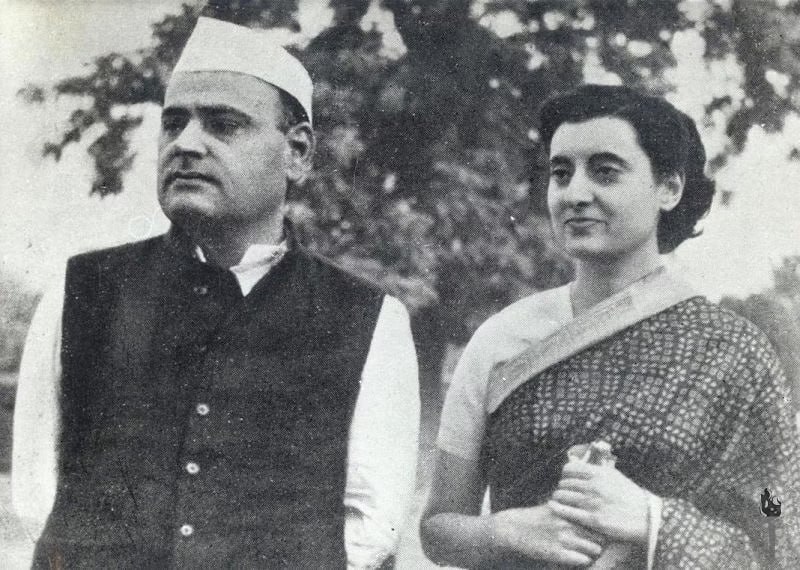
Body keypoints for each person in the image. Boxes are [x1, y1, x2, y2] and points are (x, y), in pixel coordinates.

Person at [12, 17, 419, 569]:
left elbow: (371, 531)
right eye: (173, 123)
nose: (186, 143)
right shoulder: (83, 290)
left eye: (224, 125)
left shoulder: (366, 318)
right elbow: (42, 503)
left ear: (298, 152)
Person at [420, 84, 800, 568]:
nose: (575, 194)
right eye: (561, 173)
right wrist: (505, 531)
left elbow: (779, 527)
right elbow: (438, 528)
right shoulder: (502, 339)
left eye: (605, 171)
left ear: (669, 188)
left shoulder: (736, 354)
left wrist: (653, 521)